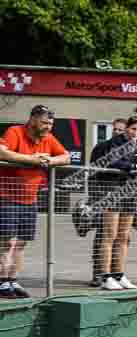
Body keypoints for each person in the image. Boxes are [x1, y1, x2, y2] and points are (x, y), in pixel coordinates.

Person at [0, 105, 71, 299]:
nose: (48, 127)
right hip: (7, 197)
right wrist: (32, 159)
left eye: (50, 123)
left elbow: (66, 157)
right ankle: (2, 281)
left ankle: (13, 280)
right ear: (32, 119)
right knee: (7, 242)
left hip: (30, 198)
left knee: (21, 243)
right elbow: (2, 153)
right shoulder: (15, 131)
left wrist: (48, 161)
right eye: (44, 122)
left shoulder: (48, 138)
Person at [91, 115, 137, 291]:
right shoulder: (115, 142)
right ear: (127, 128)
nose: (135, 132)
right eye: (133, 128)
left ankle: (119, 275)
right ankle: (105, 277)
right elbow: (114, 161)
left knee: (123, 236)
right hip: (112, 190)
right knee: (109, 234)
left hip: (132, 192)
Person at [88, 118, 128, 287]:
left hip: (125, 198)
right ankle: (99, 274)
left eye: (121, 130)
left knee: (122, 237)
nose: (117, 132)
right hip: (104, 196)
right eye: (116, 129)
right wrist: (95, 199)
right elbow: (93, 172)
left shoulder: (130, 149)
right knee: (103, 236)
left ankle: (115, 273)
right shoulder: (101, 147)